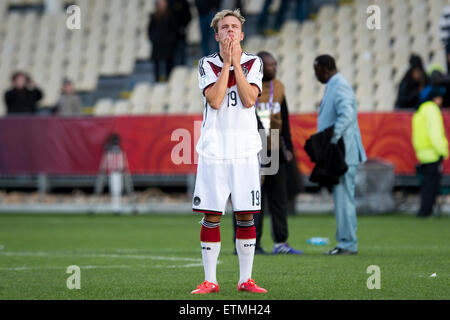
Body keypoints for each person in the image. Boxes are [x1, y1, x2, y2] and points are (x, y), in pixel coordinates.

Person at [191, 9, 267, 294]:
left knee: (245, 215)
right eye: (225, 28)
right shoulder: (205, 64)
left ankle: (245, 279)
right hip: (214, 152)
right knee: (212, 215)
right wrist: (227, 65)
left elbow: (249, 100)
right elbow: (215, 100)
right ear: (216, 34)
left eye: (235, 27)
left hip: (245, 151)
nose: (230, 32)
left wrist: (237, 64)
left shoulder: (254, 62)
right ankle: (210, 280)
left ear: (242, 34)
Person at [232, 51, 302, 255]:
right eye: (270, 65)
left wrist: (287, 146)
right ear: (261, 67)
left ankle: (281, 242)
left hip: (275, 148)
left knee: (279, 198)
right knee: (253, 198)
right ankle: (250, 243)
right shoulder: (246, 86)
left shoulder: (279, 87)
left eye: (276, 64)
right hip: (252, 148)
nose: (274, 68)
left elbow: (285, 119)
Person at [313, 54, 367, 255]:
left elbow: (347, 115)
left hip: (343, 152)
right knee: (343, 198)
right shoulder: (335, 84)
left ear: (324, 68)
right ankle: (346, 241)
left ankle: (347, 244)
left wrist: (331, 138)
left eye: (316, 70)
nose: (315, 75)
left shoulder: (340, 85)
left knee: (344, 199)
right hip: (341, 152)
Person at [412, 80, 449, 218]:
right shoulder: (432, 110)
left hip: (422, 152)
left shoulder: (420, 111)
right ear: (435, 98)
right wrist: (443, 151)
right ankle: (426, 211)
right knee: (431, 185)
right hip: (433, 152)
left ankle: (424, 210)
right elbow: (436, 134)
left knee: (426, 184)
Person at [147, 0, 177, 82]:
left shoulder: (171, 16)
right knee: (157, 67)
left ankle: (169, 81)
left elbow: (174, 30)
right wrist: (155, 39)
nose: (162, 5)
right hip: (157, 46)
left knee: (169, 66)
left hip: (167, 46)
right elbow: (150, 31)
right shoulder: (153, 16)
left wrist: (170, 40)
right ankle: (157, 82)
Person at [168, 0, 191, 66]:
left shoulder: (184, 3)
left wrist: (183, 26)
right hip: (171, 35)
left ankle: (181, 72)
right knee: (172, 57)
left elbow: (189, 16)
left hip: (181, 34)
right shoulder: (169, 2)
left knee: (182, 55)